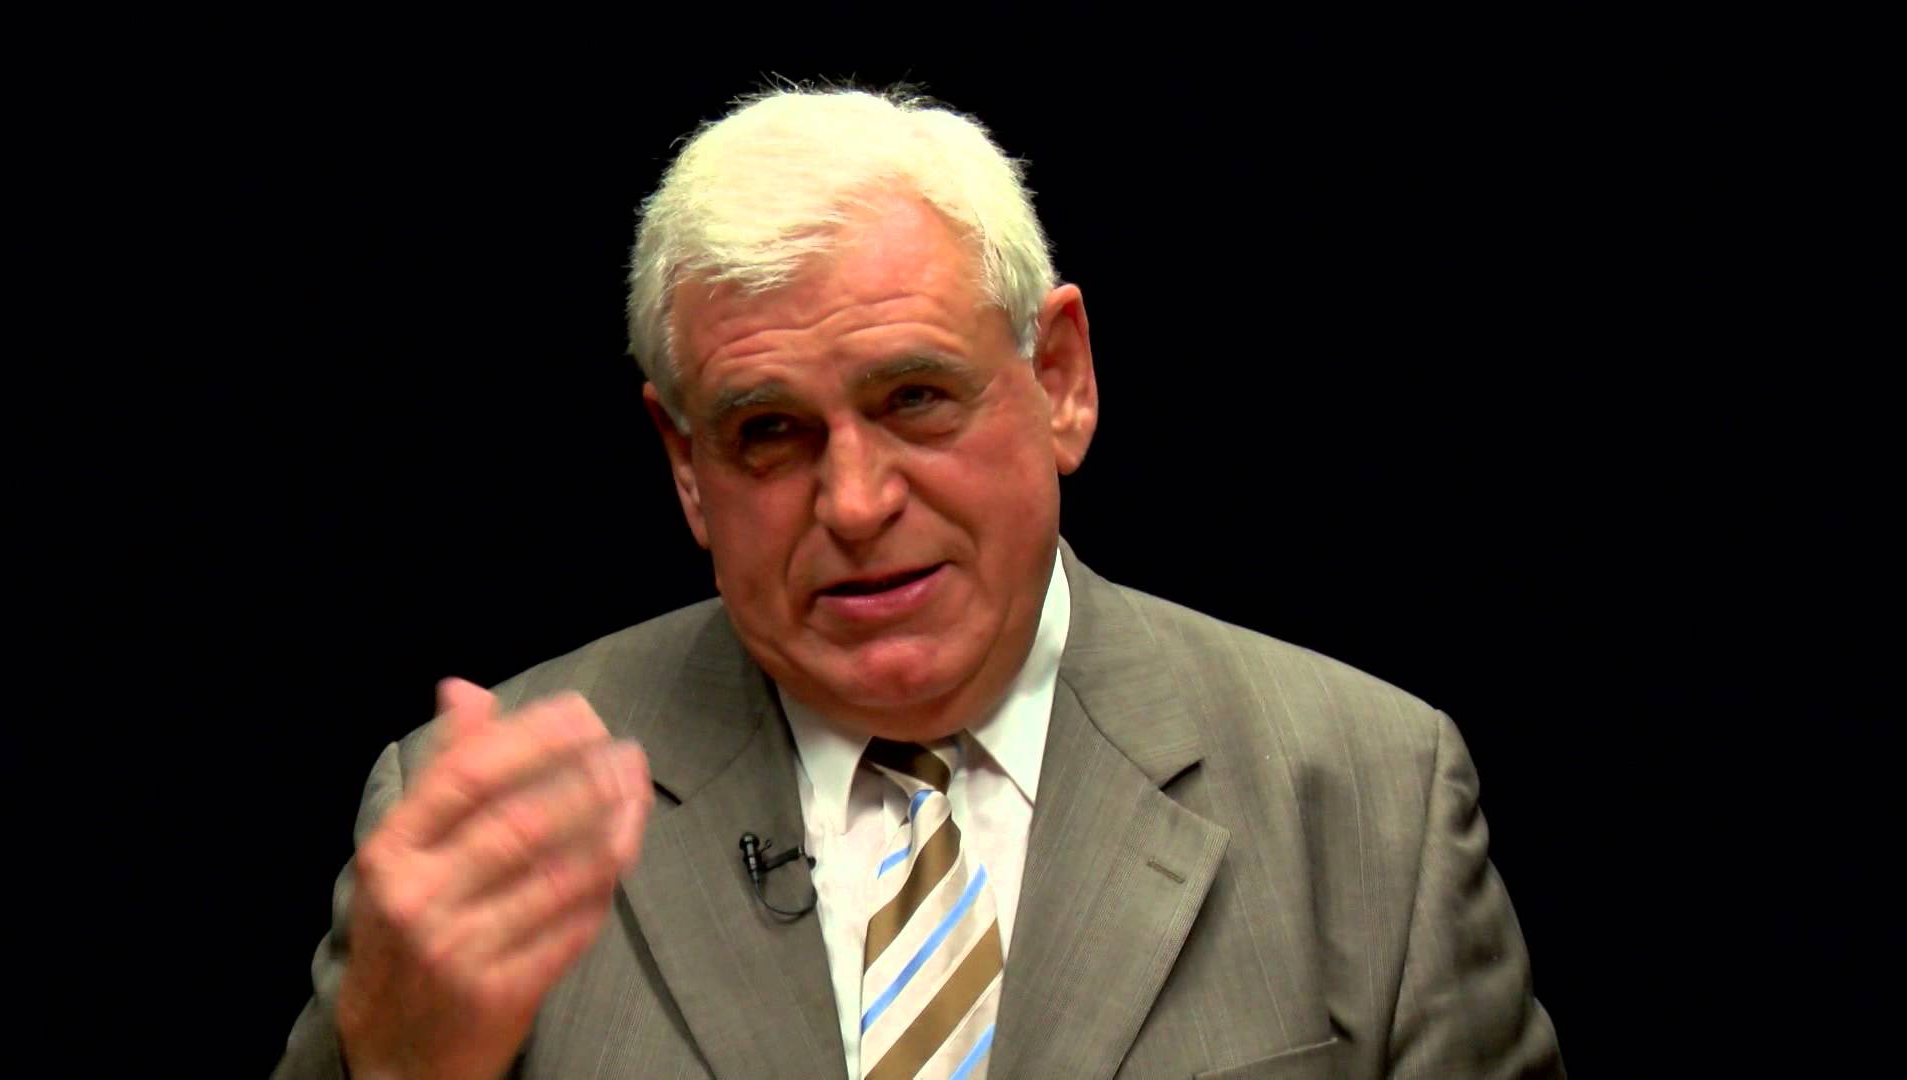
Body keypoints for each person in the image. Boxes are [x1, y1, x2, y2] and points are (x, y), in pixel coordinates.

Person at [275, 86, 1564, 1080]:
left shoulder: (1371, 798)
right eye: (768, 431)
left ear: (1059, 381)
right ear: (684, 463)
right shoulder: (471, 835)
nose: (854, 503)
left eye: (915, 399)